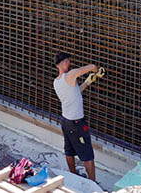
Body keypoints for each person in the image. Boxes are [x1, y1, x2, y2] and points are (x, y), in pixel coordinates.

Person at [53, 52, 99, 183]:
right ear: (60, 63)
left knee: (69, 150)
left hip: (66, 121)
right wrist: (95, 69)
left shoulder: (56, 82)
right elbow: (90, 67)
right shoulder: (70, 75)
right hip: (77, 123)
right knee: (87, 154)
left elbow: (76, 92)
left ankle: (73, 175)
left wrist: (88, 81)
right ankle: (93, 183)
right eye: (67, 61)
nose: (69, 63)